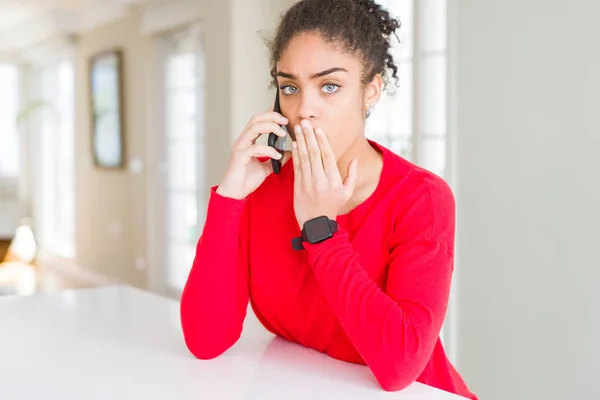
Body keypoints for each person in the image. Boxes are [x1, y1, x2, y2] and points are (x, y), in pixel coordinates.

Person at [180, 0, 477, 398]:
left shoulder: (420, 198)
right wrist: (230, 197)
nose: (305, 110)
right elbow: (205, 339)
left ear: (371, 91)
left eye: (330, 86)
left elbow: (399, 367)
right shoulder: (263, 188)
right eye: (290, 88)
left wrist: (321, 230)